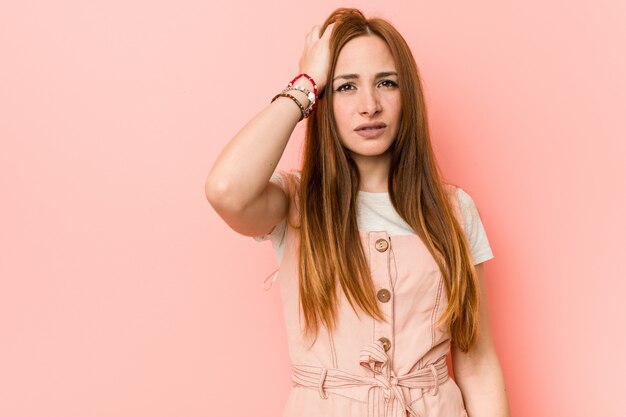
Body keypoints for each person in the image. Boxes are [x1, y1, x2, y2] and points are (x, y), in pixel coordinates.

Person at [205, 7, 510, 417]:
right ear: (324, 101)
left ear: (408, 97)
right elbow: (226, 190)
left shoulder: (454, 210)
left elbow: (477, 363)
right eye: (346, 87)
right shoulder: (294, 205)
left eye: (387, 83)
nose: (370, 105)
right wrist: (305, 84)